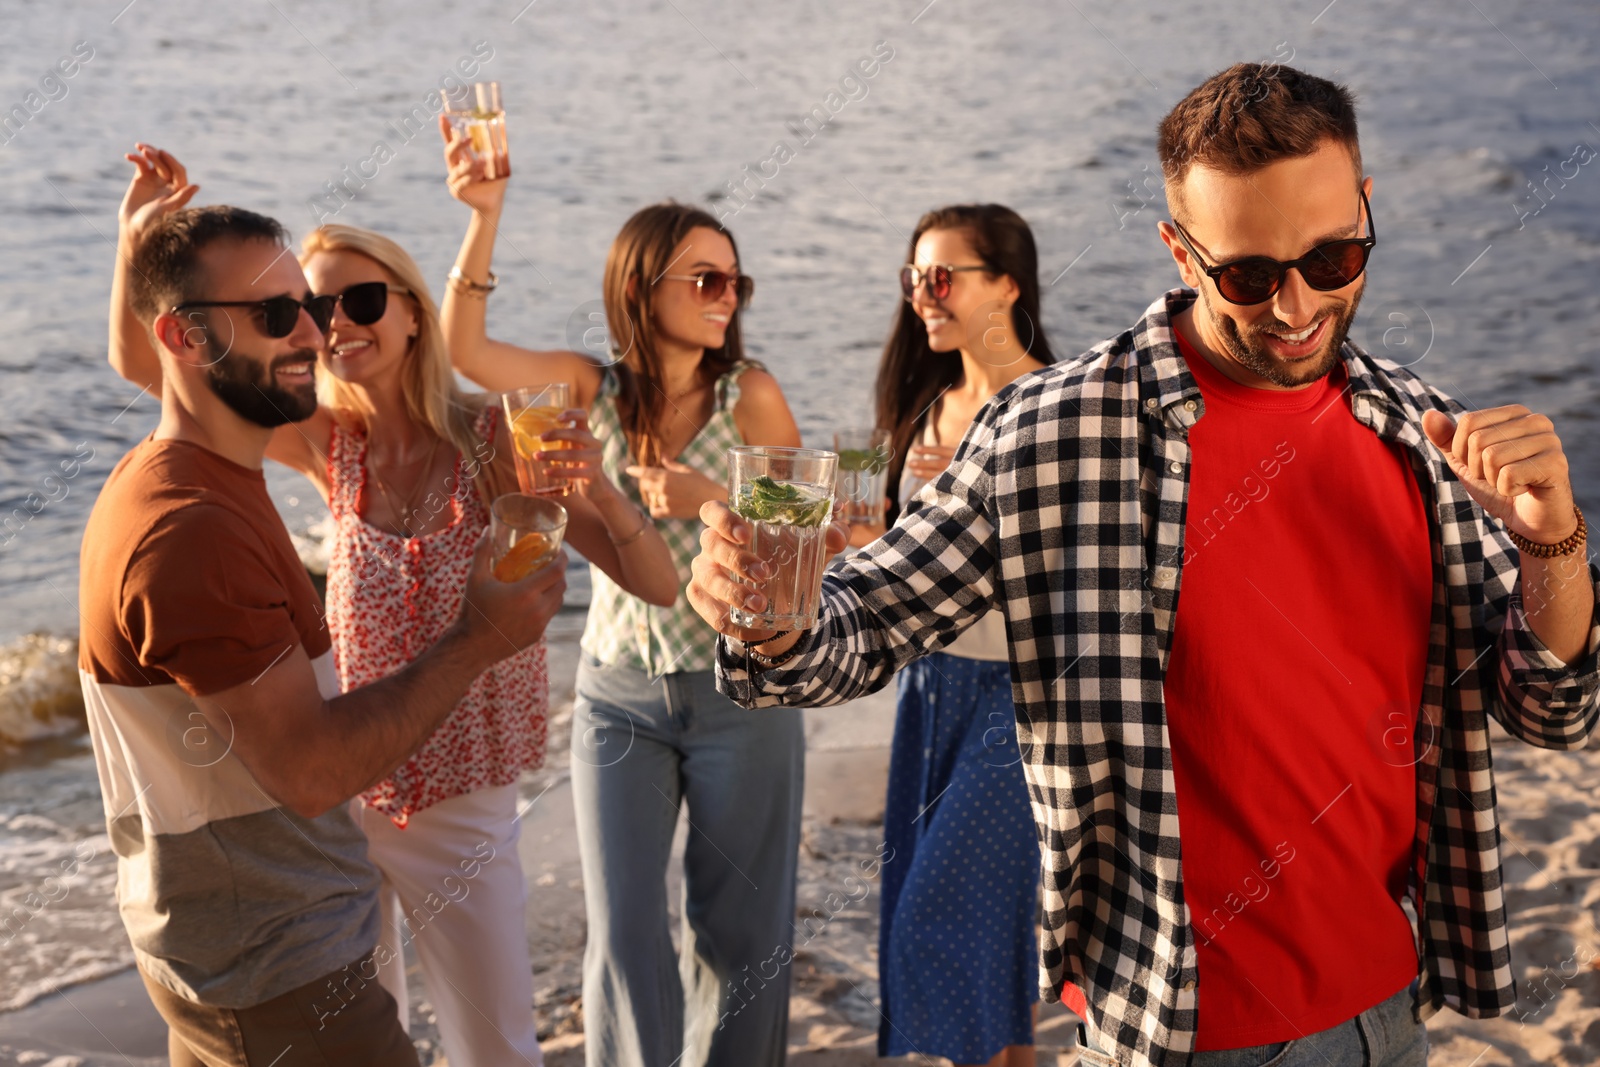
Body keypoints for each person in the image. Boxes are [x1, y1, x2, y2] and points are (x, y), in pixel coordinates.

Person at [686, 63, 1600, 1067]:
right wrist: (765, 611)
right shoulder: (1054, 430)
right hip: (1175, 1025)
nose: (1296, 305)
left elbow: (1549, 705)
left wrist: (1550, 539)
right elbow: (860, 623)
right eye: (1249, 275)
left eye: (1333, 257)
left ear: (1366, 212)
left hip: (1387, 1009)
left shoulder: (1413, 426)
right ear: (1178, 247)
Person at [105, 147, 678, 1067]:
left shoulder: (495, 440)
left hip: (463, 799)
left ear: (414, 314)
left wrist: (604, 494)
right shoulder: (330, 444)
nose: (338, 324)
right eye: (315, 308)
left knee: (496, 1045)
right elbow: (156, 366)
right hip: (344, 793)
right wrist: (137, 248)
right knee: (372, 1036)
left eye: (363, 300)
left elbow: (655, 583)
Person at [439, 116, 809, 1067]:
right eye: (706, 279)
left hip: (742, 694)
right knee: (625, 937)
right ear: (641, 290)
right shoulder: (587, 389)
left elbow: (809, 532)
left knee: (742, 936)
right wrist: (486, 214)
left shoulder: (750, 397)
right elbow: (465, 351)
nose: (727, 298)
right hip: (619, 698)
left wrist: (709, 492)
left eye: (736, 281)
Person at [852, 204, 1053, 1067]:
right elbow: (892, 569)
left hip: (1021, 696)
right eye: (913, 278)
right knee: (982, 939)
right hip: (927, 688)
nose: (921, 295)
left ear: (1006, 284)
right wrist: (853, 550)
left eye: (942, 277)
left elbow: (1073, 577)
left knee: (940, 917)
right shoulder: (926, 409)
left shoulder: (1053, 405)